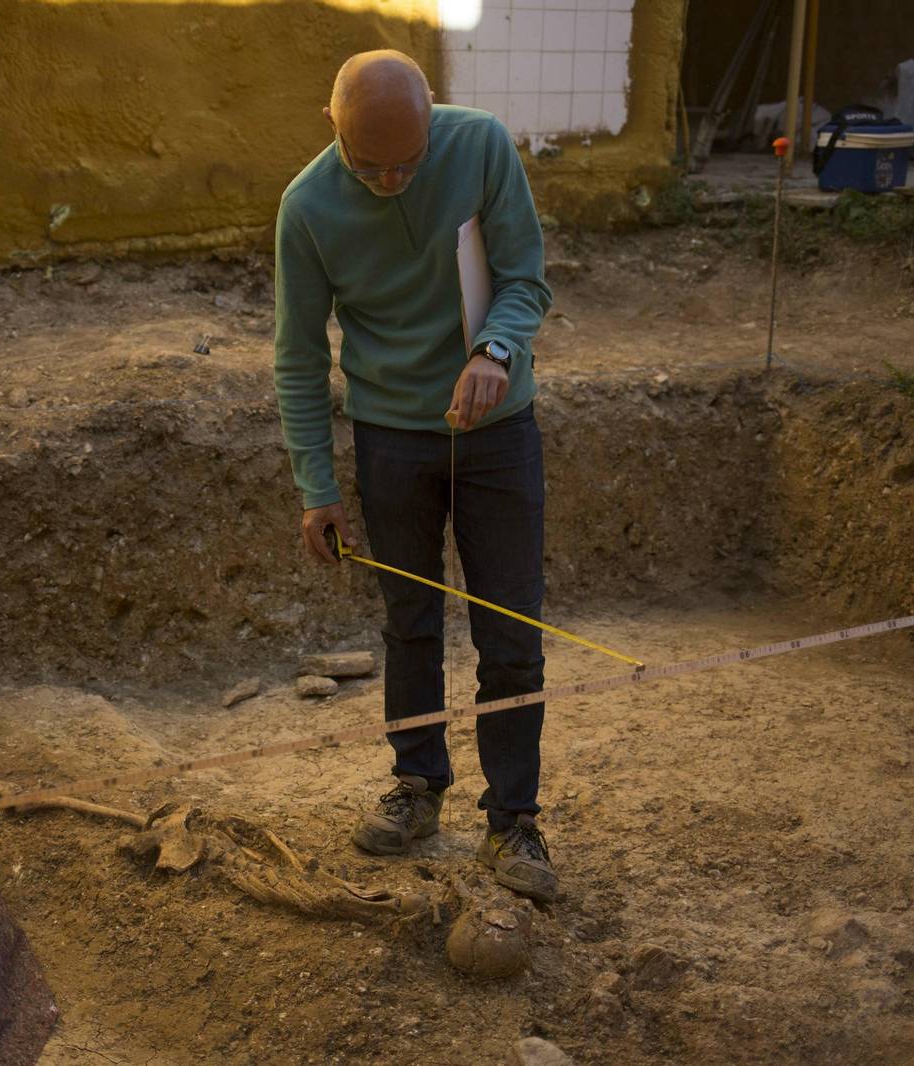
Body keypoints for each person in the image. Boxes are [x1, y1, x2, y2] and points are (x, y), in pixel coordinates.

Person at [273, 50, 557, 901]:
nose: (393, 179)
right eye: (372, 167)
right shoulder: (307, 208)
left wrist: (495, 351)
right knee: (411, 620)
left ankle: (513, 823)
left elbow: (525, 280)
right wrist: (316, 487)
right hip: (391, 436)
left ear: (434, 121)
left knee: (511, 631)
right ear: (334, 130)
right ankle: (418, 785)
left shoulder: (481, 147)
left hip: (498, 431)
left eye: (409, 161)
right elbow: (297, 355)